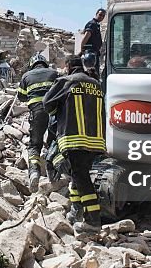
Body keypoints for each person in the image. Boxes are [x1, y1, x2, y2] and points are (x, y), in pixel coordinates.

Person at [43, 55, 106, 234]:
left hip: (74, 138)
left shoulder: (66, 81)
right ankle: (75, 212)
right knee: (79, 176)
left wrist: (60, 109)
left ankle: (93, 221)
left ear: (69, 66)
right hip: (96, 140)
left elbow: (47, 104)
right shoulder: (96, 84)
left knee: (82, 178)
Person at [17, 53, 58, 192]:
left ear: (32, 65)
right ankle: (53, 171)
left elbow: (21, 96)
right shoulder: (54, 73)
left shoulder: (26, 76)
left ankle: (34, 172)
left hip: (37, 112)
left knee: (35, 145)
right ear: (45, 63)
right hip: (54, 112)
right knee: (54, 142)